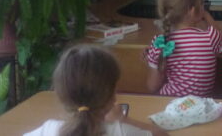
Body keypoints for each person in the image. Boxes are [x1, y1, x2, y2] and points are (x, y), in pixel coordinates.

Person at [24, 43, 167, 136]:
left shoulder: (47, 130)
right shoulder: (122, 131)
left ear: (61, 94)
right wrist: (124, 119)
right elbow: (162, 134)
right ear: (112, 96)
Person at [144, 0, 222, 96]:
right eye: (202, 4)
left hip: (169, 101)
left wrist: (152, 58)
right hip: (200, 103)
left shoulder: (161, 42)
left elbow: (152, 87)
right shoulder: (211, 37)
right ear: (192, 11)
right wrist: (207, 15)